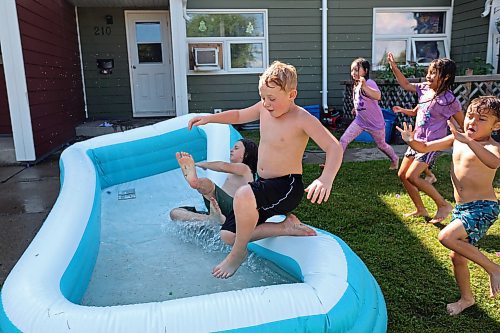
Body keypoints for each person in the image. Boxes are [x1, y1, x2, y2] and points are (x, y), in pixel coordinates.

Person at [188, 61, 343, 279]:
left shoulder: (302, 118)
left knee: (243, 194)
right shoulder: (263, 109)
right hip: (263, 186)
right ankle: (284, 228)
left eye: (272, 99)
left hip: (286, 186)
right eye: (263, 98)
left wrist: (326, 178)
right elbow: (239, 115)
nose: (266, 104)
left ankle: (237, 255)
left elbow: (333, 147)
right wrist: (210, 118)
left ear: (292, 94)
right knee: (227, 234)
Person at [396, 96, 500, 315]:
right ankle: (467, 299)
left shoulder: (491, 146)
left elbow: (494, 162)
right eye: (470, 116)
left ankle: (494, 269)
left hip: (483, 207)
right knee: (457, 255)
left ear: (496, 126)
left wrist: (468, 141)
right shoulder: (457, 140)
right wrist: (410, 140)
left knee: (446, 237)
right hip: (463, 208)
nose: (472, 122)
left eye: (482, 119)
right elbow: (424, 146)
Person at [171, 140, 315, 245]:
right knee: (175, 213)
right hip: (219, 208)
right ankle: (211, 220)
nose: (231, 150)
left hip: (233, 209)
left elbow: (222, 166)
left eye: (236, 148)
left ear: (246, 155)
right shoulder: (237, 170)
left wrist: (201, 164)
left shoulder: (244, 169)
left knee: (208, 185)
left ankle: (196, 183)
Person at [387, 52, 464, 223]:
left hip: (430, 144)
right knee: (402, 174)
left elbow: (464, 124)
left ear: (446, 77)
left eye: (433, 73)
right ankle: (421, 209)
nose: (428, 76)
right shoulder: (424, 89)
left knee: (413, 176)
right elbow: (406, 84)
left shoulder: (450, 100)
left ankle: (443, 204)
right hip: (415, 140)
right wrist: (393, 66)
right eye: (428, 72)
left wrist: (464, 140)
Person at [340, 58, 399, 170]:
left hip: (375, 123)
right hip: (360, 121)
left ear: (365, 71)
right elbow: (360, 100)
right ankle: (334, 164)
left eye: (357, 70)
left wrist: (365, 87)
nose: (353, 73)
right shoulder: (356, 85)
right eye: (352, 70)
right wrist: (355, 108)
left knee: (381, 145)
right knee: (343, 140)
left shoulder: (369, 83)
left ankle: (395, 158)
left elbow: (377, 96)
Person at [393, 105, 438, 184]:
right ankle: (429, 175)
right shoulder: (423, 99)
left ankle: (429, 176)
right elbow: (414, 112)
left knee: (422, 160)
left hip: (430, 139)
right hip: (417, 137)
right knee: (415, 159)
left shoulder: (442, 103)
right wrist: (402, 110)